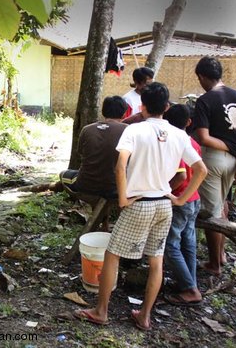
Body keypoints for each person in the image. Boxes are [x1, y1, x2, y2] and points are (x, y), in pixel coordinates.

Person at [73, 82, 207, 331]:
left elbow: (120, 165)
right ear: (166, 107)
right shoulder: (179, 134)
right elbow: (201, 170)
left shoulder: (134, 130)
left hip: (140, 204)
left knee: (112, 255)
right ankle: (144, 315)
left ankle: (101, 311)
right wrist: (178, 198)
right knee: (156, 261)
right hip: (164, 206)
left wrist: (123, 198)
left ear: (142, 106)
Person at [193, 56, 236, 275]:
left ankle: (214, 264)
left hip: (214, 158)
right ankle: (221, 254)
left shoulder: (205, 100)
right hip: (234, 161)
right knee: (222, 205)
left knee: (212, 213)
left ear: (201, 76)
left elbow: (203, 137)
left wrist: (227, 146)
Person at [163, 104, 203, 305]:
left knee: (171, 244)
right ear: (189, 122)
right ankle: (189, 282)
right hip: (194, 198)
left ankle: (189, 288)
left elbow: (180, 177)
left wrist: (165, 191)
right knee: (188, 242)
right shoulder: (193, 142)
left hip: (180, 199)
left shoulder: (174, 141)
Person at [61, 96, 128, 199]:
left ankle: (76, 201)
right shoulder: (128, 131)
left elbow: (81, 154)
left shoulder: (87, 129)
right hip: (116, 188)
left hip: (86, 185)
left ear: (103, 112)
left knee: (63, 174)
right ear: (124, 114)